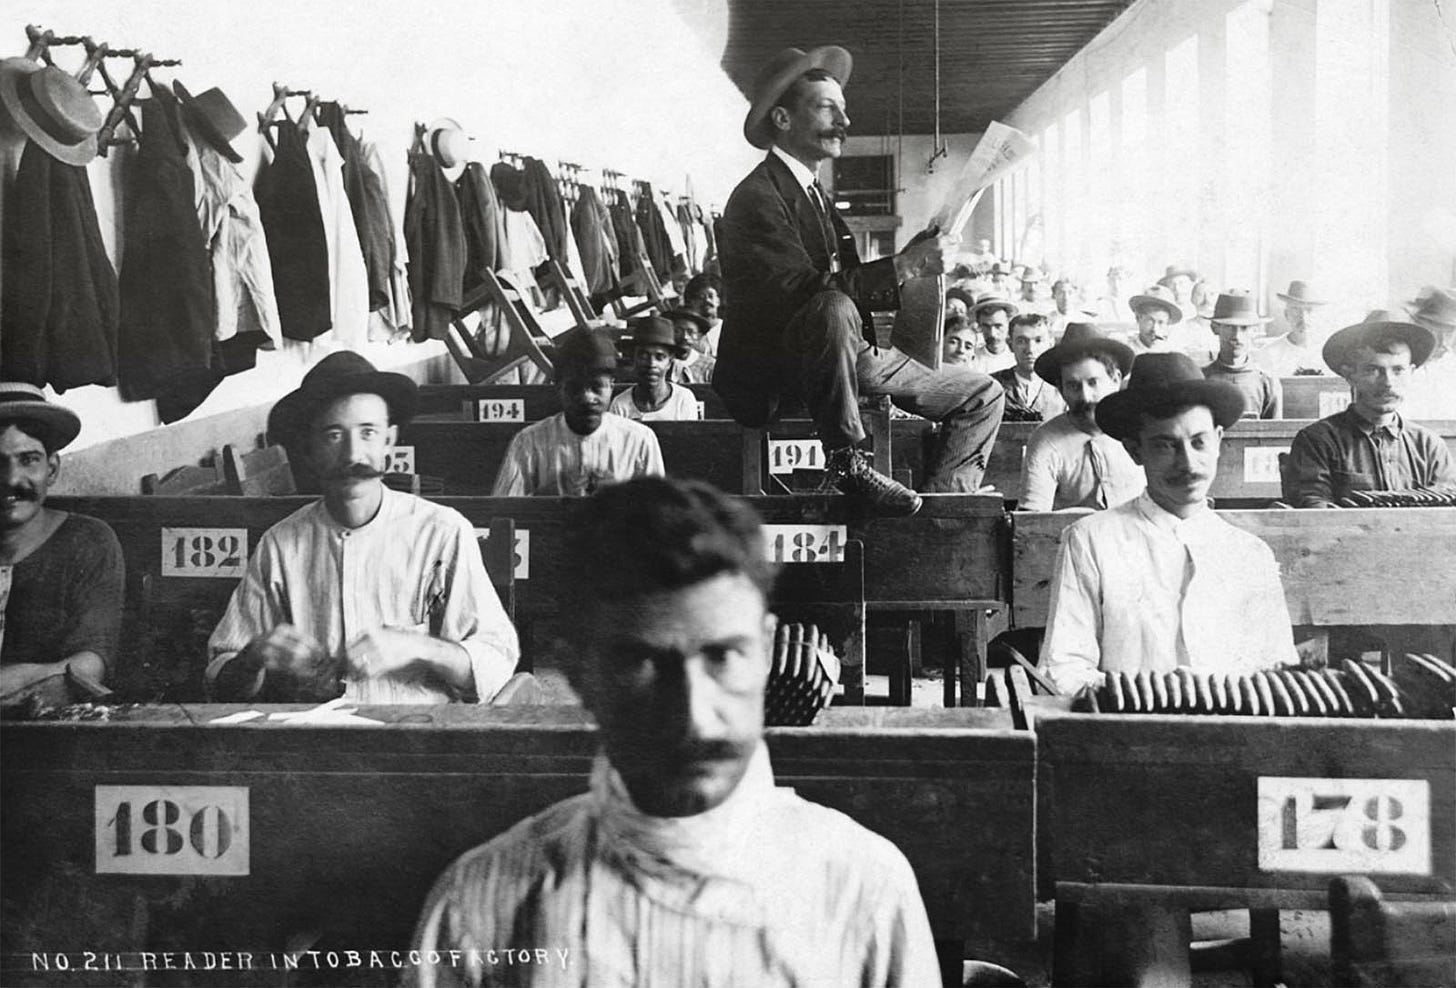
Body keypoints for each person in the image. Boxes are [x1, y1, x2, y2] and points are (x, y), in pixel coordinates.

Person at [409, 477, 940, 987]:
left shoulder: (863, 888)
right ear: (577, 674)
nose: (692, 715)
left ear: (765, 652)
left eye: (723, 655)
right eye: (643, 661)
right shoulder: (478, 908)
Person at [715, 45, 1004, 516]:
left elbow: (848, 282)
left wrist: (916, 258)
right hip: (780, 365)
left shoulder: (811, 192)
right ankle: (847, 460)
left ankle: (945, 515)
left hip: (845, 353)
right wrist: (905, 265)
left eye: (843, 111)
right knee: (831, 306)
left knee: (983, 394)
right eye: (828, 109)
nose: (844, 123)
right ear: (783, 119)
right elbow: (805, 292)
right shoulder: (756, 196)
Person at [208, 353, 519, 704]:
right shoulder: (280, 545)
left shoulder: (442, 532)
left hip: (420, 740)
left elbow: (496, 664)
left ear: (389, 441)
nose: (353, 454)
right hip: (311, 742)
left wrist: (420, 647)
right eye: (333, 435)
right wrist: (252, 660)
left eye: (368, 433)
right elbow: (221, 673)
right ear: (309, 450)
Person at [1039, 353, 1299, 694]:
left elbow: (1277, 670)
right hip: (1127, 735)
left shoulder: (1250, 553)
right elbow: (1062, 667)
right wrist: (1154, 695)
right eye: (1166, 446)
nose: (1188, 463)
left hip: (1231, 736)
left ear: (1219, 441)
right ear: (1135, 451)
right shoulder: (1091, 540)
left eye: (1199, 442)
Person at [0, 384, 125, 698]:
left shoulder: (88, 542)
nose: (12, 480)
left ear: (52, 469)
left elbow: (89, 665)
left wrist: (13, 679)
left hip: (50, 731)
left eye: (28, 460)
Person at [1281, 311, 1456, 508]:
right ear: (1350, 375)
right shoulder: (1317, 441)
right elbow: (1312, 509)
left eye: (1398, 370)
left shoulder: (1429, 446)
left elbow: (1447, 511)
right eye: (1373, 370)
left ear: (1411, 373)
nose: (1388, 382)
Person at [492, 332, 665, 496]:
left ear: (611, 387)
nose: (587, 397)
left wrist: (619, 495)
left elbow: (658, 513)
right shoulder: (530, 442)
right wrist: (549, 493)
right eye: (575, 388)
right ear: (559, 388)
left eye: (597, 387)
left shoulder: (639, 440)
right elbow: (502, 509)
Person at [1019, 324, 1144, 511]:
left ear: (1116, 380)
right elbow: (1032, 519)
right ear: (1061, 390)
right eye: (1074, 386)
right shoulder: (1045, 441)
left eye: (1093, 383)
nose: (1085, 396)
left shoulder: (1140, 430)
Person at [1202, 290, 1283, 419]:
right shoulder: (1201, 380)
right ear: (1215, 328)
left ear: (1254, 331)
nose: (1237, 336)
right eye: (1229, 327)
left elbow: (1272, 434)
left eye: (1244, 328)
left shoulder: (1267, 383)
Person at [609, 315, 700, 420]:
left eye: (660, 357)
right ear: (634, 359)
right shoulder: (620, 405)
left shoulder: (683, 400)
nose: (651, 364)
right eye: (644, 356)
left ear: (669, 362)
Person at [992, 313, 1066, 422]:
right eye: (1021, 341)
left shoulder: (1063, 388)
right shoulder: (993, 386)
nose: (1030, 349)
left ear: (1050, 343)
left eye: (1038, 340)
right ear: (1010, 344)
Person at [1254, 279, 1330, 377]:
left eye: (1309, 310)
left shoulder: (1328, 352)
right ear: (1286, 315)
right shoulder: (1268, 353)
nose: (1303, 317)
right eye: (1296, 309)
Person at [1404, 286, 1456, 419]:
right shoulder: (1398, 364)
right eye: (1438, 331)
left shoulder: (1451, 366)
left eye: (1449, 333)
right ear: (1419, 326)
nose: (1444, 343)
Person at [665, 307, 717, 385]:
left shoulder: (709, 366)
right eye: (678, 331)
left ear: (699, 336)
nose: (685, 337)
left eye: (690, 332)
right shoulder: (661, 361)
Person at [1127, 285, 1184, 355]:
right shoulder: (1127, 350)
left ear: (1167, 324)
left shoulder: (1172, 352)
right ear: (1138, 318)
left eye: (1161, 322)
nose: (1155, 329)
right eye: (1149, 321)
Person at [971, 296, 1018, 373]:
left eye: (998, 326)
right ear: (979, 325)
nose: (992, 334)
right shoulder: (971, 360)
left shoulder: (1017, 361)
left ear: (1008, 324)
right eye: (986, 326)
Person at [682, 273, 723, 355]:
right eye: (700, 297)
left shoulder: (728, 330)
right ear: (691, 302)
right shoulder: (686, 334)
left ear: (718, 300)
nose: (707, 300)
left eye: (710, 296)